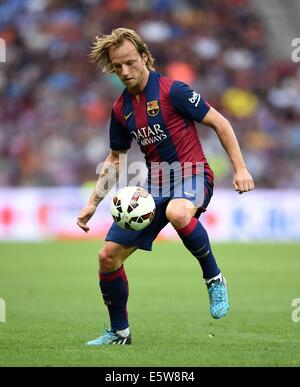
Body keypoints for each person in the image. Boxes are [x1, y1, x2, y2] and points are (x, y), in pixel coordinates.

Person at [77, 28, 255, 346]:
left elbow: (220, 123)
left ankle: (213, 277)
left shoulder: (173, 91)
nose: (125, 72)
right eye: (117, 67)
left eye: (130, 63)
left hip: (193, 174)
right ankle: (119, 332)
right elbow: (116, 158)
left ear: (145, 57)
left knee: (178, 211)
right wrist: (93, 203)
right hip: (155, 185)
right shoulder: (121, 109)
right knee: (107, 256)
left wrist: (240, 169)